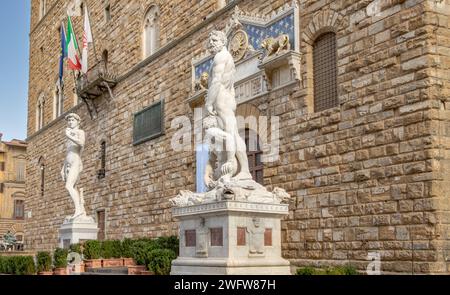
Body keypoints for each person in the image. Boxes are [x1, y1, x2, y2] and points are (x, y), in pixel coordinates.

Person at [205, 30, 252, 181]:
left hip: (221, 98)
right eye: (210, 41)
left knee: (231, 133)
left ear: (223, 41)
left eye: (214, 40)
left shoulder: (220, 56)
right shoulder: (226, 57)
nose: (211, 43)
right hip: (226, 97)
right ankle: (234, 168)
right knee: (229, 134)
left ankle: (244, 170)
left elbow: (216, 81)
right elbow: (230, 86)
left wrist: (208, 103)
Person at [61, 113, 86, 219]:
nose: (70, 122)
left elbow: (82, 143)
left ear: (77, 121)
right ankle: (80, 210)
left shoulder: (80, 132)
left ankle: (79, 210)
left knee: (69, 186)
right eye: (69, 120)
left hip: (76, 161)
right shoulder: (69, 135)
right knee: (73, 187)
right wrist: (63, 168)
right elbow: (68, 153)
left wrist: (69, 136)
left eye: (72, 120)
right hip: (68, 163)